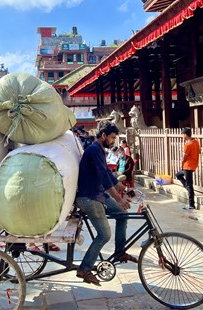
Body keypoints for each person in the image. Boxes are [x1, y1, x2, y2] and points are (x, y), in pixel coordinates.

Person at [75, 120, 134, 286]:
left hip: (99, 195)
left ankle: (120, 252)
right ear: (103, 136)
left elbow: (108, 174)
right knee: (104, 234)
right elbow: (103, 177)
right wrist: (118, 198)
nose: (114, 141)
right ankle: (84, 268)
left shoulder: (99, 150)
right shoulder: (94, 150)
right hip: (89, 198)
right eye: (112, 137)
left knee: (123, 214)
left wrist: (125, 188)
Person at [175, 128, 200, 210]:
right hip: (193, 164)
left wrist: (182, 161)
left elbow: (184, 157)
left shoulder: (187, 145)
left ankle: (191, 204)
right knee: (178, 175)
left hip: (187, 166)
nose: (182, 136)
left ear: (185, 134)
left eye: (182, 134)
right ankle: (190, 191)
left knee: (189, 185)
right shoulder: (196, 142)